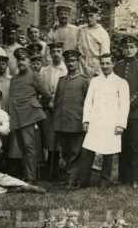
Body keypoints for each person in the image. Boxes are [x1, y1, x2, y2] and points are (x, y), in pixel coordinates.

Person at [79, 54, 129, 188]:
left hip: (111, 123)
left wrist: (120, 124)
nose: (105, 66)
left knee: (108, 152)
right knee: (88, 151)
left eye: (108, 63)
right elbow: (88, 101)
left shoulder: (121, 82)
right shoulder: (95, 81)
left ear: (113, 64)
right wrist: (86, 120)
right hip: (95, 121)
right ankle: (83, 181)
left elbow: (124, 106)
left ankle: (104, 182)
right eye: (103, 64)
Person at [9, 47, 51, 184]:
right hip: (17, 117)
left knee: (29, 147)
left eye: (24, 59)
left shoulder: (35, 76)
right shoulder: (14, 79)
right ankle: (27, 175)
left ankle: (31, 178)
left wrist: (35, 107)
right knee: (23, 148)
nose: (21, 62)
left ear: (28, 60)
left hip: (29, 117)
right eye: (19, 60)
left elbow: (46, 95)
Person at [52, 50, 90, 189]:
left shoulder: (84, 80)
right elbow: (56, 102)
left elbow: (89, 103)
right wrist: (55, 120)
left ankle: (73, 180)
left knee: (76, 152)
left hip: (77, 122)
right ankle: (70, 175)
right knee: (66, 152)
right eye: (68, 61)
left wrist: (86, 120)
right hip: (61, 122)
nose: (71, 63)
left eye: (73, 61)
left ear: (78, 62)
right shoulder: (62, 80)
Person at [113, 35, 138, 188]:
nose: (129, 49)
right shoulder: (117, 66)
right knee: (122, 145)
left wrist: (129, 103)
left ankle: (135, 179)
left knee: (134, 146)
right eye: (126, 47)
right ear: (123, 49)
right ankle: (123, 177)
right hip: (119, 113)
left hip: (136, 112)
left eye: (132, 47)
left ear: (136, 49)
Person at [40, 42, 67, 179]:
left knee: (60, 138)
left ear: (62, 52)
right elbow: (41, 90)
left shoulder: (66, 69)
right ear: (50, 53)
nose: (56, 54)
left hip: (62, 107)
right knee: (49, 137)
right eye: (53, 51)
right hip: (48, 106)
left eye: (58, 51)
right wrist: (48, 101)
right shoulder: (44, 70)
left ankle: (62, 169)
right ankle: (50, 170)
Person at [78, 5, 111, 77]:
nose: (89, 18)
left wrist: (99, 71)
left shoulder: (102, 33)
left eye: (91, 16)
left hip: (95, 68)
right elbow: (71, 29)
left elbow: (105, 55)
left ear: (97, 16)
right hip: (82, 67)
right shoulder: (82, 29)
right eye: (86, 16)